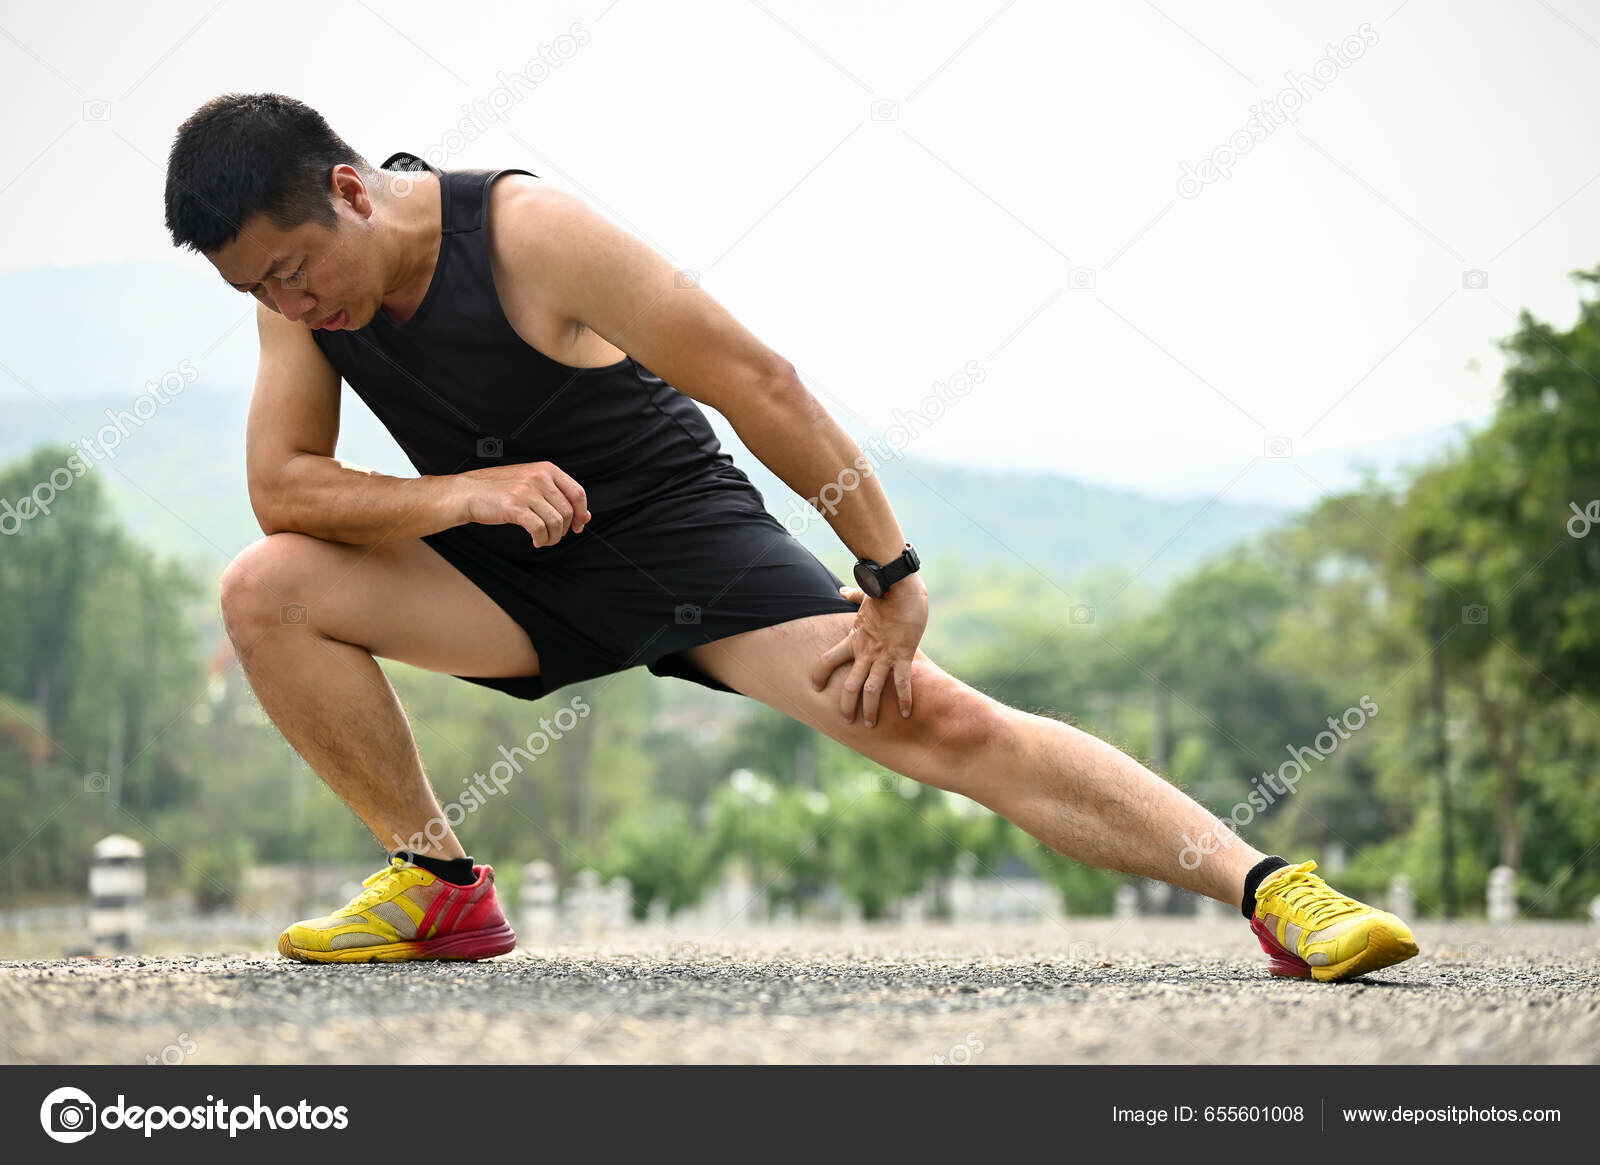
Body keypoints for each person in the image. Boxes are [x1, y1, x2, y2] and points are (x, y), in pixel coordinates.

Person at [164, 93, 1418, 982]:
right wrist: (457, 499)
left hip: (675, 534)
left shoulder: (528, 234)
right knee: (266, 586)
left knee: (939, 721)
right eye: (256, 292)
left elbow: (759, 381)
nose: (289, 303)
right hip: (504, 565)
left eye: (290, 271)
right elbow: (286, 488)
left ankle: (1276, 893)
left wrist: (891, 572)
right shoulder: (306, 300)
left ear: (346, 191)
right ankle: (436, 887)